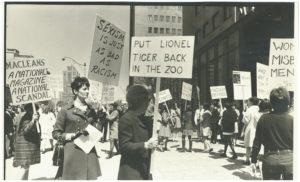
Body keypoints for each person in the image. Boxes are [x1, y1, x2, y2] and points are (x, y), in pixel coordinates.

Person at [52, 77, 101, 180]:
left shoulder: (92, 110)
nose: (87, 91)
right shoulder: (65, 110)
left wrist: (101, 117)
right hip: (72, 152)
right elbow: (56, 133)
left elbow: (97, 130)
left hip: (88, 150)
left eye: (88, 88)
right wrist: (73, 135)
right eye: (84, 89)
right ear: (75, 91)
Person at [251, 87, 293, 180]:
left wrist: (253, 160)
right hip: (290, 161)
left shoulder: (263, 119)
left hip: (270, 161)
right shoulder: (293, 120)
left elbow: (257, 142)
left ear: (272, 103)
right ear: (287, 102)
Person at [117, 85, 157, 180]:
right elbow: (124, 146)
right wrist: (145, 145)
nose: (148, 104)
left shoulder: (145, 119)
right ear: (139, 102)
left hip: (144, 168)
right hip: (131, 171)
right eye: (146, 101)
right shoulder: (126, 119)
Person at [14, 103, 41, 180]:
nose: (36, 112)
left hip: (26, 147)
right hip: (25, 147)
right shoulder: (26, 117)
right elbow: (26, 130)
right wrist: (33, 120)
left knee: (26, 168)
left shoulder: (27, 116)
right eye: (34, 110)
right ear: (30, 110)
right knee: (24, 168)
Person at [242, 97, 260, 165]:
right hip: (258, 129)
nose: (247, 102)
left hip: (250, 129)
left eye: (248, 101)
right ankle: (257, 162)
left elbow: (245, 121)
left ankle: (247, 160)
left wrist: (243, 114)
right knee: (257, 146)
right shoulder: (259, 109)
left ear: (251, 102)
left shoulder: (249, 110)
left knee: (248, 146)